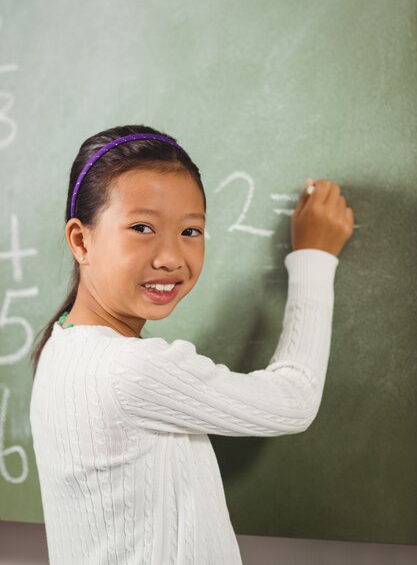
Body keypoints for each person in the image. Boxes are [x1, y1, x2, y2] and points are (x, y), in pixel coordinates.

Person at [29, 124, 354, 565]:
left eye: (191, 231)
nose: (171, 257)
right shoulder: (129, 368)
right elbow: (294, 400)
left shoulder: (60, 345)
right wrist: (315, 258)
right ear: (81, 240)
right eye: (142, 227)